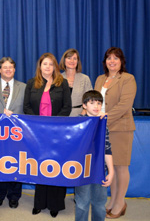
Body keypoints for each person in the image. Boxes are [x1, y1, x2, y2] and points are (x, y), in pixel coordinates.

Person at [23, 53, 71, 218]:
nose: (48, 67)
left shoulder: (62, 83)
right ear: (40, 66)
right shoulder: (31, 83)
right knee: (40, 167)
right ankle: (39, 203)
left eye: (51, 64)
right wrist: (38, 124)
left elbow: (67, 107)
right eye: (45, 64)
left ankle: (55, 204)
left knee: (56, 167)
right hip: (38, 132)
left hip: (57, 132)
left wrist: (54, 124)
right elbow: (26, 107)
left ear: (55, 67)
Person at [94, 47, 137, 219]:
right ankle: (112, 200)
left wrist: (105, 119)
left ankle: (120, 202)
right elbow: (93, 100)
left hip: (120, 128)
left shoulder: (127, 79)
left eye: (116, 58)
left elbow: (124, 105)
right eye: (109, 58)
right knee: (110, 167)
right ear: (105, 62)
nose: (112, 61)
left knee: (120, 166)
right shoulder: (99, 79)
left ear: (121, 61)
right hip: (101, 128)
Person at [75, 90, 114, 221]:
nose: (96, 106)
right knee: (82, 202)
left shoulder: (102, 123)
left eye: (99, 103)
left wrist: (111, 171)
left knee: (99, 203)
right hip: (82, 169)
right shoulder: (77, 123)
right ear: (84, 105)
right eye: (92, 103)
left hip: (99, 170)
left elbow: (107, 149)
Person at [0, 57, 26, 208]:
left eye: (10, 67)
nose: (7, 70)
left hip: (17, 133)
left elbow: (27, 109)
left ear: (15, 70)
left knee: (15, 163)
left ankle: (14, 195)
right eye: (4, 67)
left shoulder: (24, 87)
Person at [59, 48, 93, 116]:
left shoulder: (85, 79)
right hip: (61, 115)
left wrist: (85, 110)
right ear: (64, 60)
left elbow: (91, 98)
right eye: (69, 58)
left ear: (78, 61)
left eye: (74, 58)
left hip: (80, 116)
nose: (72, 61)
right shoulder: (57, 78)